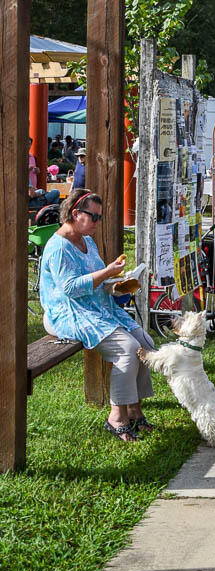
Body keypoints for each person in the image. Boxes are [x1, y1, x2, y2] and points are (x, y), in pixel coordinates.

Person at [38, 187, 156, 442]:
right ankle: (117, 417)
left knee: (146, 343)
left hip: (97, 307)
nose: (97, 223)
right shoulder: (59, 247)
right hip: (67, 313)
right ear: (74, 213)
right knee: (128, 348)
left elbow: (98, 282)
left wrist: (120, 284)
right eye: (94, 217)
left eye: (99, 217)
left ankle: (135, 410)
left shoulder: (87, 241)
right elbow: (69, 288)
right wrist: (108, 273)